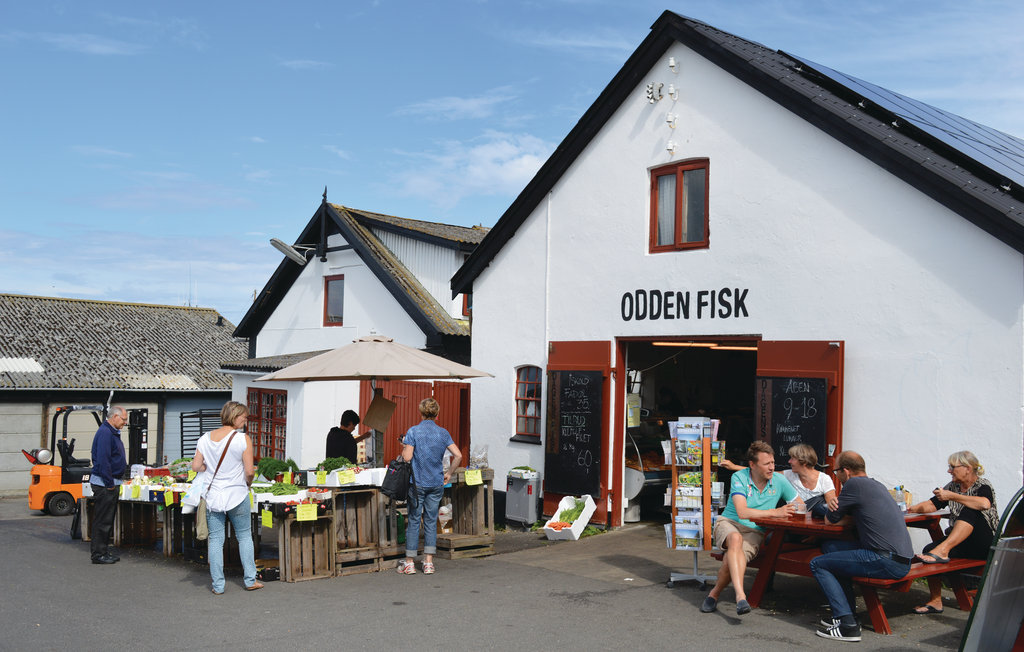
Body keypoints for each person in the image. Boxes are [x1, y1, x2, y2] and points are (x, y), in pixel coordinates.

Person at [810, 451, 914, 642]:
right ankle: (848, 614)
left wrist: (832, 505)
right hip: (902, 559)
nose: (837, 477)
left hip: (884, 559)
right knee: (831, 547)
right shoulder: (876, 484)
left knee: (818, 564)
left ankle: (847, 625)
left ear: (846, 471)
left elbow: (830, 520)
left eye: (836, 472)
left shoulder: (853, 485)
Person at [701, 440, 800, 615]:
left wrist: (797, 509)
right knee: (735, 539)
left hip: (755, 531)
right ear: (752, 465)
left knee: (730, 559)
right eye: (766, 464)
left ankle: (714, 594)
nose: (771, 467)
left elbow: (798, 504)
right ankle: (741, 596)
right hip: (729, 523)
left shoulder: (779, 480)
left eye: (773, 463)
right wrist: (775, 512)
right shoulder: (739, 477)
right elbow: (742, 512)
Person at [906, 450, 999, 614]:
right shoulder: (953, 487)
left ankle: (943, 550)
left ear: (967, 468)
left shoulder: (983, 485)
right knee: (928, 550)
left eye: (952, 467)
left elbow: (984, 504)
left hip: (984, 544)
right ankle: (935, 602)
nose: (949, 471)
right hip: (961, 543)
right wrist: (910, 509)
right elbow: (931, 505)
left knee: (970, 510)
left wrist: (952, 496)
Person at [191, 401, 262, 594]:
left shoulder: (205, 438)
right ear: (235, 416)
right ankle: (250, 580)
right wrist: (249, 483)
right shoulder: (242, 439)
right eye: (244, 417)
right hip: (237, 494)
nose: (246, 420)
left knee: (215, 540)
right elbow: (249, 470)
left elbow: (196, 466)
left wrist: (208, 468)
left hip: (214, 495)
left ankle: (218, 586)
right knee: (245, 536)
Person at [397, 398, 462, 576]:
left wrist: (404, 447)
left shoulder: (413, 431)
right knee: (431, 521)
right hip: (436, 483)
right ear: (437, 414)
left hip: (417, 484)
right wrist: (449, 472)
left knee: (414, 520)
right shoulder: (443, 433)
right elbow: (458, 455)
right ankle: (428, 563)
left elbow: (408, 457)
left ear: (421, 412)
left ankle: (409, 563)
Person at [89, 406, 128, 564]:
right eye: (124, 419)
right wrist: (110, 483)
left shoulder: (111, 432)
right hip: (105, 484)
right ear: (115, 417)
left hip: (109, 482)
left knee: (106, 519)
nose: (125, 423)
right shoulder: (106, 433)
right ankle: (99, 554)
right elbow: (103, 460)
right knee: (103, 520)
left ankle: (102, 550)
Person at [783, 443, 838, 518]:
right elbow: (770, 474)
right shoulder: (788, 474)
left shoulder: (824, 479)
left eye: (792, 458)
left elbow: (831, 506)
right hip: (795, 520)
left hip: (815, 522)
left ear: (804, 462)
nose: (789, 461)